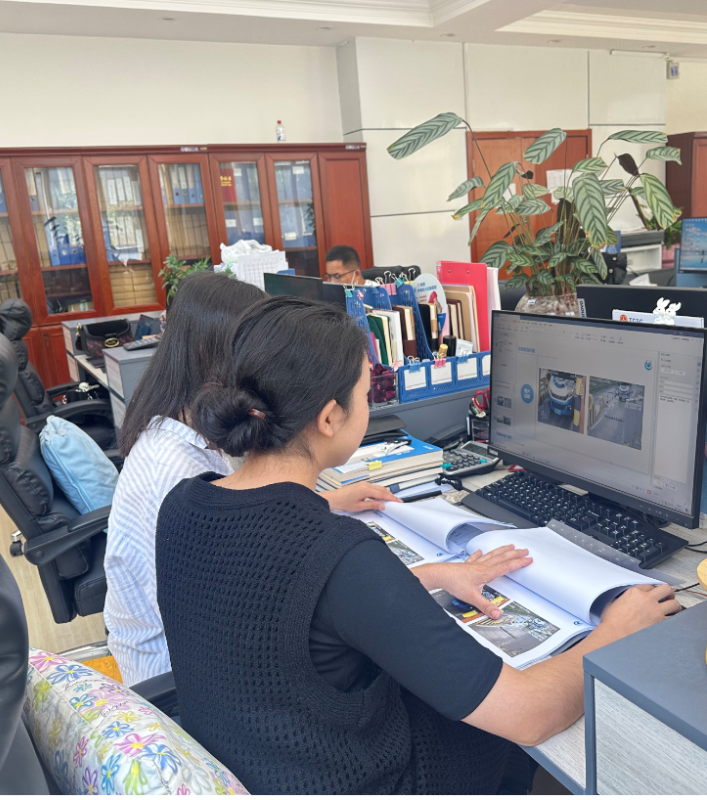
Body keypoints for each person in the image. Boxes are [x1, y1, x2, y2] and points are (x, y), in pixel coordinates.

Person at [156, 296, 681, 795]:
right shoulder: (340, 554)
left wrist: (430, 575)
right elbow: (529, 715)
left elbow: (284, 599)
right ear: (330, 417)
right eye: (367, 394)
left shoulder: (182, 505)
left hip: (260, 763)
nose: (370, 404)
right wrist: (614, 633)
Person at [104, 273, 397, 687]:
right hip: (182, 676)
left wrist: (327, 502)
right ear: (212, 352)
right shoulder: (174, 471)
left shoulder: (185, 432)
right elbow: (245, 601)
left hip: (202, 649)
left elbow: (240, 522)